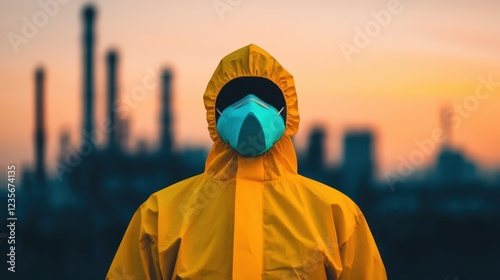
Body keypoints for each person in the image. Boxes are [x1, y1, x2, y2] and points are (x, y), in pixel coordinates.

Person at [106, 44, 386, 280]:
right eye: (234, 98)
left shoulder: (338, 215)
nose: (251, 106)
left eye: (266, 97)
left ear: (288, 115)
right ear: (213, 114)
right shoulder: (159, 216)